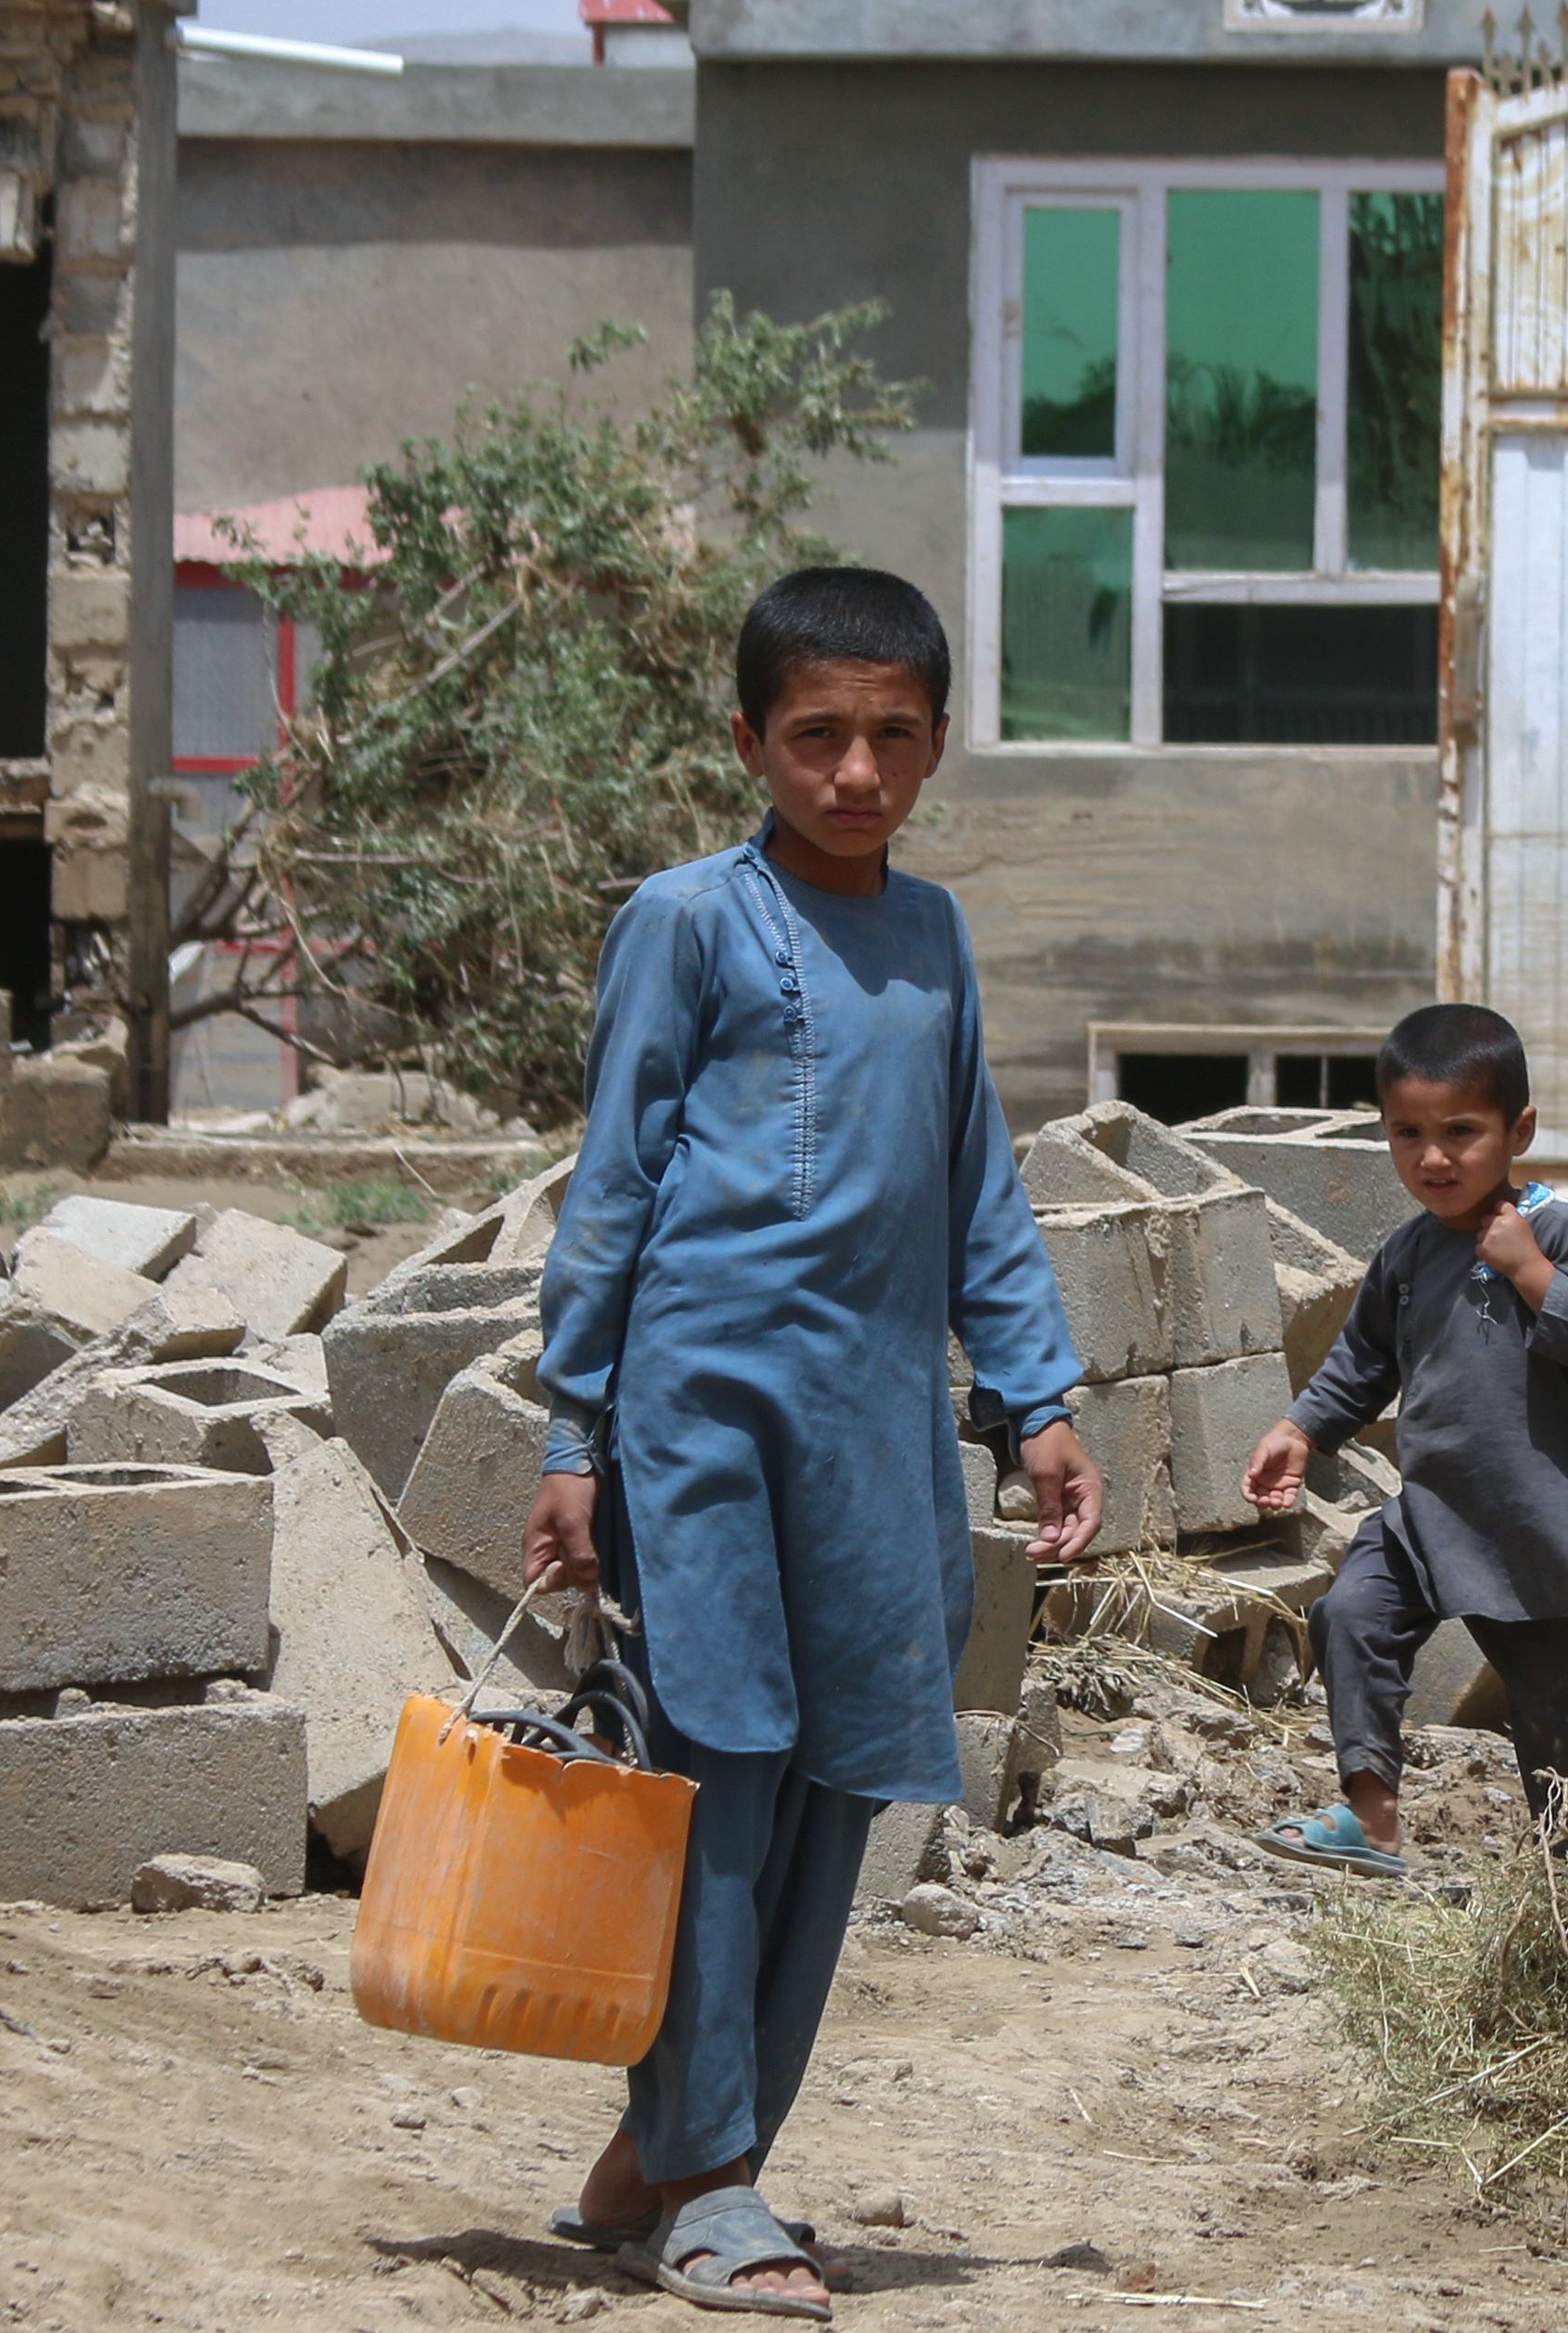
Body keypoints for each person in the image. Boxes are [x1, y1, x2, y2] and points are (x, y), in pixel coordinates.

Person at [526, 566, 1106, 2320]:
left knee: (844, 1784)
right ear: (750, 741)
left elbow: (977, 1189)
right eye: (816, 735)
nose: (855, 770)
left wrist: (1039, 1399)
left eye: (892, 735)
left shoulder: (931, 940)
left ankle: (672, 2152)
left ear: (937, 744)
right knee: (717, 1784)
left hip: (876, 1438)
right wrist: (573, 1424)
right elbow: (614, 1184)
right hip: (699, 1420)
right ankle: (710, 2176)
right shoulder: (686, 921)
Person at [1239, 1003, 1568, 1876]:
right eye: (1406, 1133)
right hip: (1429, 1515)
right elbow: (1362, 1359)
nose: (1432, 1157)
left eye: (1461, 1131)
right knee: (1349, 1615)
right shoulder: (1407, 1252)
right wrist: (1300, 1426)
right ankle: (1372, 1821)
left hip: (1544, 1537)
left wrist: (1528, 1268)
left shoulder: (1560, 1232)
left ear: (1518, 1129)